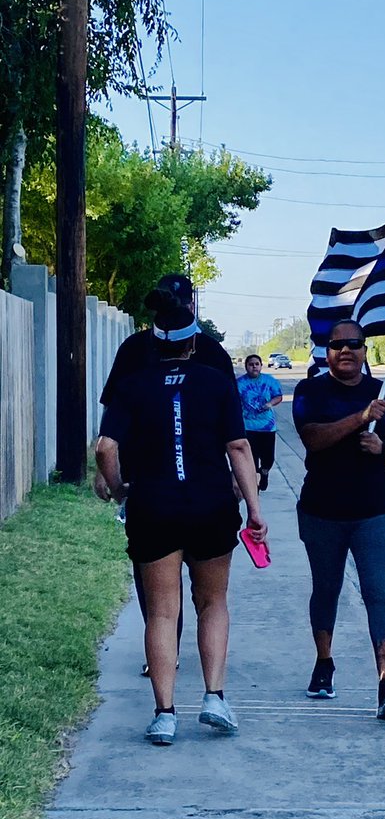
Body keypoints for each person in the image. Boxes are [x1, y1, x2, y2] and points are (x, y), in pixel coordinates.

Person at [95, 294, 267, 746]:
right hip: (210, 505)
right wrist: (253, 509)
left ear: (154, 342)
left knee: (162, 610)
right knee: (212, 603)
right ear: (193, 343)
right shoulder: (215, 382)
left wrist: (119, 489)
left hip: (153, 507)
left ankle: (165, 714)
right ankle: (214, 697)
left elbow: (105, 448)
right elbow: (239, 448)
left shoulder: (133, 385)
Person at [95, 275, 240, 677]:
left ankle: (163, 656)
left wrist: (113, 479)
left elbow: (107, 436)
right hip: (205, 485)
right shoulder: (195, 351)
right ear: (190, 306)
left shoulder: (198, 352)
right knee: (207, 593)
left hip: (149, 485)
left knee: (156, 580)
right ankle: (183, 661)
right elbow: (237, 435)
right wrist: (240, 482)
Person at [291, 320, 385, 720]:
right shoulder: (310, 391)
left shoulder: (384, 391)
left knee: (378, 593)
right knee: (326, 590)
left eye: (354, 345)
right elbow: (313, 437)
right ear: (326, 352)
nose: (346, 351)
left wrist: (383, 447)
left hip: (374, 511)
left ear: (365, 350)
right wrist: (361, 418)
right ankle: (324, 664)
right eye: (337, 345)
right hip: (323, 511)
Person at [237, 355, 283, 492]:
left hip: (267, 427)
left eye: (257, 364)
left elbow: (278, 396)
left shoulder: (269, 381)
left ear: (261, 366)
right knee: (252, 458)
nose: (254, 367)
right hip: (248, 426)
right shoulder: (239, 383)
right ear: (246, 366)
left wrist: (270, 404)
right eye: (251, 364)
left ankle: (264, 473)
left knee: (268, 459)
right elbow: (234, 402)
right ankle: (254, 484)